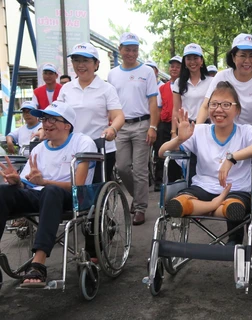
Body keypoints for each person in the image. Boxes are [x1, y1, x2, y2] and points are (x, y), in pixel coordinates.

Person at [159, 81, 252, 241]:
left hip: (237, 190)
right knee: (176, 204)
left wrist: (232, 157)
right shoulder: (199, 130)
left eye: (226, 104)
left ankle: (212, 211)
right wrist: (178, 139)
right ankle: (213, 206)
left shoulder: (246, 131)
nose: (219, 109)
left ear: (237, 110)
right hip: (202, 188)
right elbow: (162, 152)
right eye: (214, 104)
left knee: (234, 208)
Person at [0, 101, 96, 287]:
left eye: (53, 119)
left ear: (67, 125)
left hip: (71, 197)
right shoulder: (39, 149)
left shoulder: (83, 142)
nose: (46, 123)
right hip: (40, 195)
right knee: (3, 191)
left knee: (51, 191)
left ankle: (39, 263)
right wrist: (16, 181)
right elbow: (27, 184)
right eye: (44, 119)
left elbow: (79, 184)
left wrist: (44, 182)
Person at [195, 33, 252, 244]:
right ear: (233, 56)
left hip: (251, 136)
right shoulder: (222, 76)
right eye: (242, 55)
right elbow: (206, 104)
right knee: (226, 179)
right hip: (223, 130)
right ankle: (235, 234)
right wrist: (197, 128)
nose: (247, 61)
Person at [108, 32, 158, 225]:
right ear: (120, 50)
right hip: (120, 126)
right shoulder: (112, 74)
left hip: (142, 125)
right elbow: (110, 103)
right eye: (127, 49)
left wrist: (152, 126)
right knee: (121, 167)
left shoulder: (146, 72)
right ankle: (137, 197)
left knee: (139, 169)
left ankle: (140, 208)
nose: (131, 53)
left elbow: (153, 101)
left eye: (135, 49)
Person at [57, 42, 124, 182]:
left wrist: (112, 128)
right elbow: (57, 115)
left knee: (93, 191)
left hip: (99, 148)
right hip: (71, 148)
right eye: (76, 60)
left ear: (96, 64)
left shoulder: (106, 88)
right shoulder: (66, 89)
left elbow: (118, 116)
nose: (80, 65)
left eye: (85, 60)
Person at [153, 55, 183, 191]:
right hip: (165, 124)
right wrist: (155, 127)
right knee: (162, 152)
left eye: (178, 66)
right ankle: (161, 181)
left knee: (179, 153)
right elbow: (159, 108)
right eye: (172, 66)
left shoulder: (184, 85)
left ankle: (178, 180)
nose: (174, 69)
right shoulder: (162, 88)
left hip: (180, 123)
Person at [171, 43, 213, 136]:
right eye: (188, 59)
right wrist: (173, 132)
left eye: (195, 58)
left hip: (205, 126)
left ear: (201, 61)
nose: (192, 62)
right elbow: (176, 109)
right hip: (185, 126)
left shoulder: (211, 81)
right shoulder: (179, 82)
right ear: (185, 62)